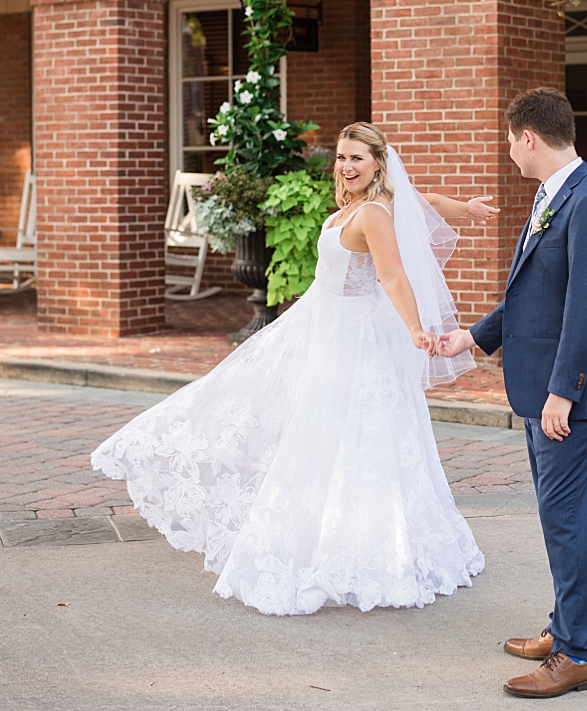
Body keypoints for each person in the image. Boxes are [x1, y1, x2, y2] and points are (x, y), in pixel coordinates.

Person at [93, 122, 497, 615]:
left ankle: (359, 549)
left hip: (353, 339)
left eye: (358, 159)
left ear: (377, 166)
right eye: (342, 158)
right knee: (268, 405)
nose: (347, 167)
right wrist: (466, 208)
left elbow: (392, 274)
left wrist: (415, 328)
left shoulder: (372, 214)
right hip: (319, 327)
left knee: (349, 436)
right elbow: (426, 198)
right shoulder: (362, 205)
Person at [440, 88, 587, 698]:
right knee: (564, 520)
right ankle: (564, 628)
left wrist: (563, 393)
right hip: (545, 391)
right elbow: (532, 295)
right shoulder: (552, 197)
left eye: (508, 141)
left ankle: (576, 654)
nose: (509, 153)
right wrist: (470, 337)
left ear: (528, 138)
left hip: (571, 397)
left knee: (567, 521)